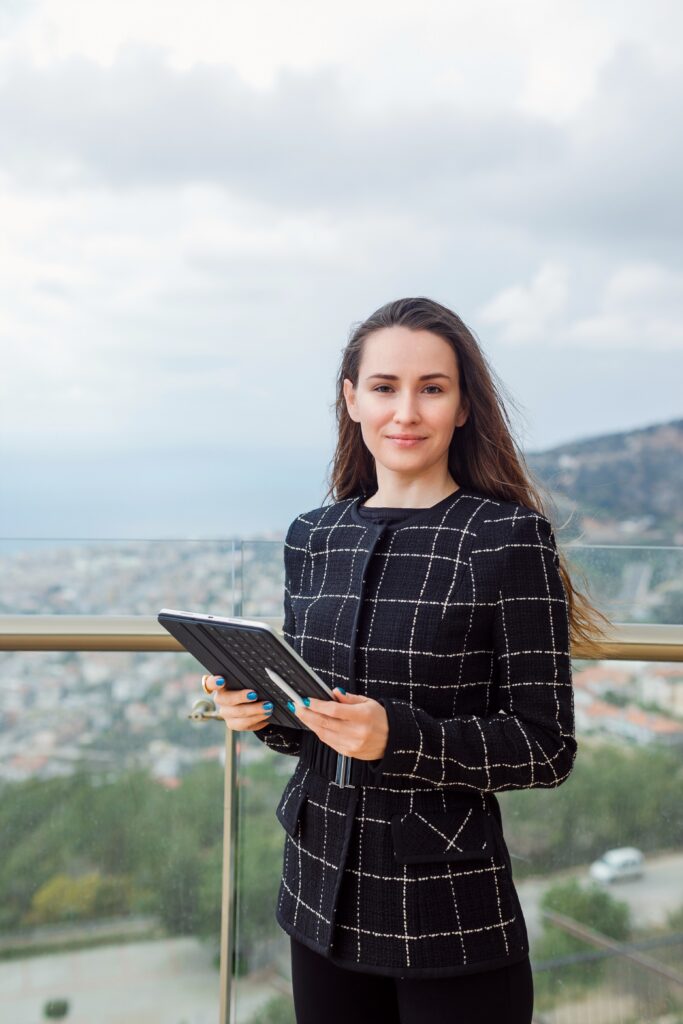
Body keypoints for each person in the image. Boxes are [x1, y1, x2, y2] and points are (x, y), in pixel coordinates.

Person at [202, 297, 612, 1023]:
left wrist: (399, 737)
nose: (406, 411)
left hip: (446, 911)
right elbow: (311, 724)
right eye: (385, 387)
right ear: (352, 399)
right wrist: (261, 712)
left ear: (462, 408)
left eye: (432, 388)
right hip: (315, 892)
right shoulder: (312, 536)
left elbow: (545, 749)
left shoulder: (506, 539)